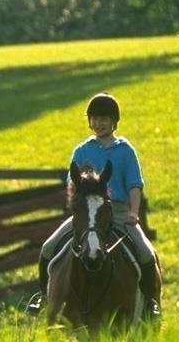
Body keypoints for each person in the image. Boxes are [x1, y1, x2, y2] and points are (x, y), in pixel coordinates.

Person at [27, 92, 161, 317]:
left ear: (114, 121)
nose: (99, 124)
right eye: (95, 119)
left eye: (104, 119)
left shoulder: (125, 150)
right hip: (86, 214)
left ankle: (151, 302)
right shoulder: (82, 151)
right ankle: (42, 296)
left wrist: (133, 212)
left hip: (118, 212)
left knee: (146, 252)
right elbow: (73, 186)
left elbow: (134, 186)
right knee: (48, 248)